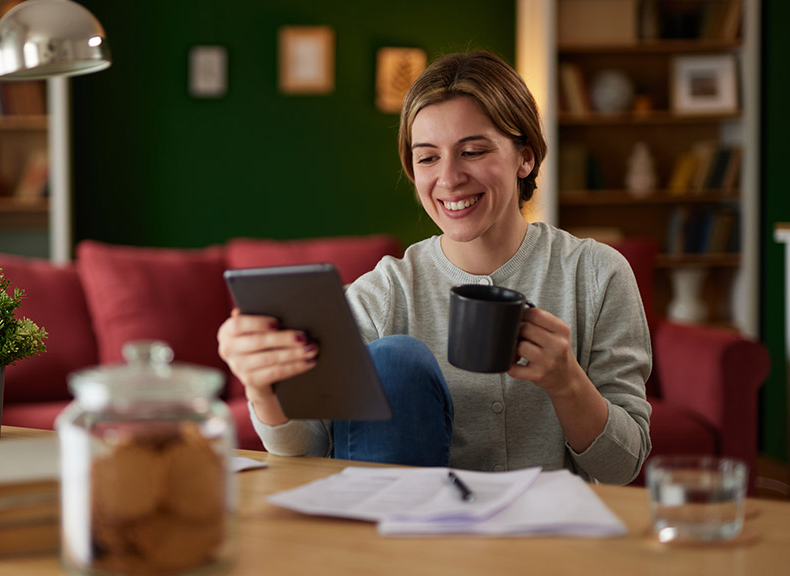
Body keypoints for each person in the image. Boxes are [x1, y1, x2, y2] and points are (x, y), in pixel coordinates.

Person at [216, 50, 651, 485]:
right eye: (427, 158)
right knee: (395, 358)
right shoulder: (382, 294)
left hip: (544, 538)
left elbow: (621, 468)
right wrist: (261, 387)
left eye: (473, 151)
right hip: (413, 541)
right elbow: (308, 448)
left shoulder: (598, 274)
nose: (448, 178)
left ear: (526, 157)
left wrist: (567, 384)